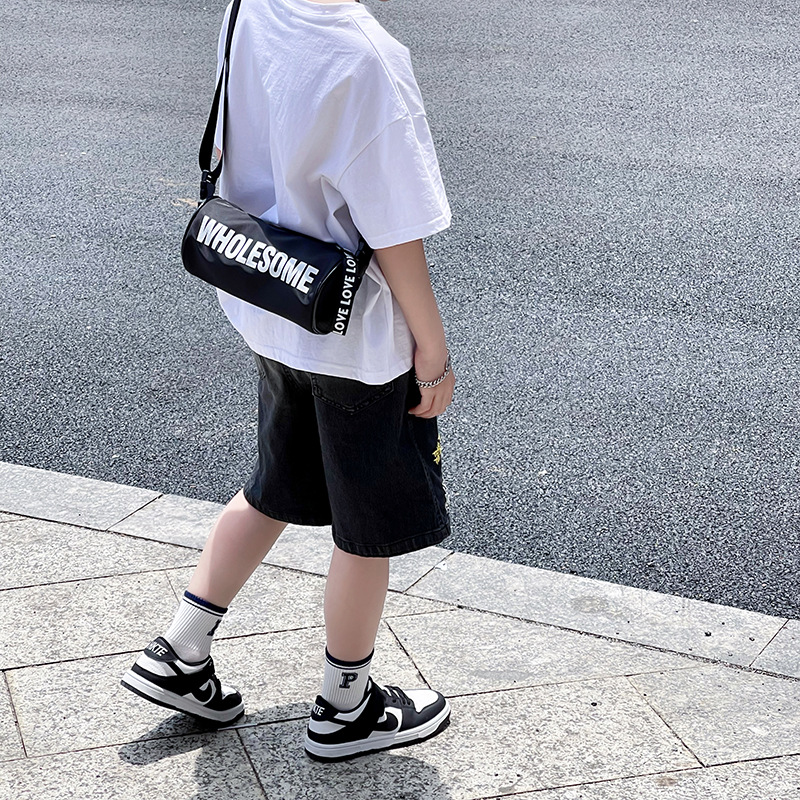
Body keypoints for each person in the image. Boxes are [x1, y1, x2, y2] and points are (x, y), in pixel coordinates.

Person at [122, 0, 455, 762]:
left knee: (274, 484)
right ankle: (346, 706)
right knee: (368, 527)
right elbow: (394, 228)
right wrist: (432, 349)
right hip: (356, 337)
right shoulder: (368, 58)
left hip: (273, 299)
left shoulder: (252, 7)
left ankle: (180, 650)